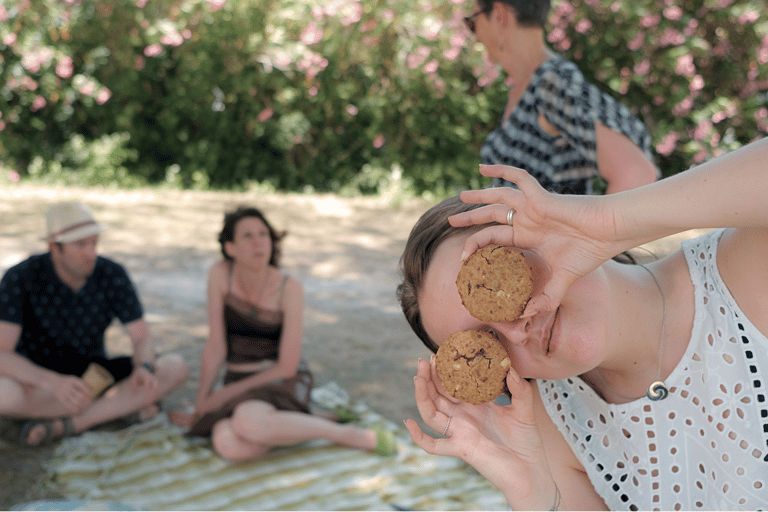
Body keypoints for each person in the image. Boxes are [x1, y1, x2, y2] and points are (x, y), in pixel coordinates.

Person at [397, 137, 768, 509]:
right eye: (488, 340)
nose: (516, 328)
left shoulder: (745, 269)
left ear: (544, 233)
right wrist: (534, 493)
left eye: (498, 288)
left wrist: (610, 219)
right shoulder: (553, 427)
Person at [169, 206, 396, 460]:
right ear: (230, 247)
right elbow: (216, 346)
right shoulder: (221, 274)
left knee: (246, 421)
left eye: (264, 234)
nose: (259, 242)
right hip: (238, 380)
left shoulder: (290, 288)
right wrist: (203, 401)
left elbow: (287, 366)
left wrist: (223, 396)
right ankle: (302, 420)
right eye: (247, 236)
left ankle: (350, 435)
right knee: (229, 445)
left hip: (281, 380)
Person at [0, 201, 189, 447]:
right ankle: (118, 409)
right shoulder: (20, 277)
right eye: (80, 245)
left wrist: (144, 365)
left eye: (94, 243)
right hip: (36, 381)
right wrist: (53, 383)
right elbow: (2, 353)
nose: (91, 253)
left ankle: (68, 424)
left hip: (94, 379)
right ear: (54, 248)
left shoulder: (112, 274)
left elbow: (141, 336)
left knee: (174, 366)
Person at [466, 0, 659, 194]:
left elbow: (637, 173)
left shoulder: (552, 83)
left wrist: (581, 225)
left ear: (500, 15)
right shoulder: (532, 85)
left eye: (473, 21)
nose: (475, 35)